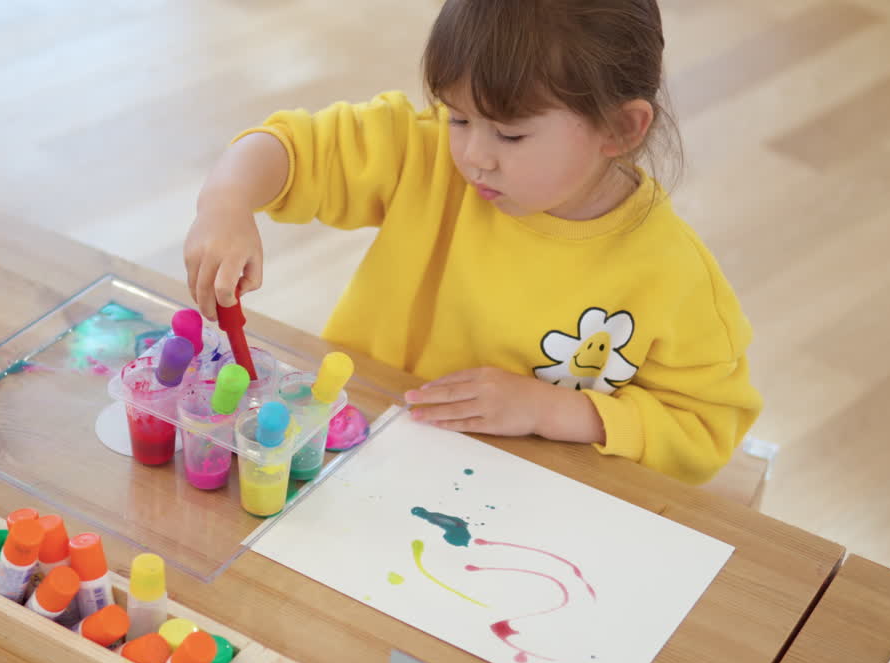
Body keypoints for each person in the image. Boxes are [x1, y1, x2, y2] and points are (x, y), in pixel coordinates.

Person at [183, 0, 761, 485]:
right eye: (457, 117)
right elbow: (298, 148)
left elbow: (704, 429)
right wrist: (226, 200)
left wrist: (554, 410)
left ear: (620, 129)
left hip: (511, 508)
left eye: (510, 133)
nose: (473, 156)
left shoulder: (673, 274)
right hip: (357, 454)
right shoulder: (428, 155)